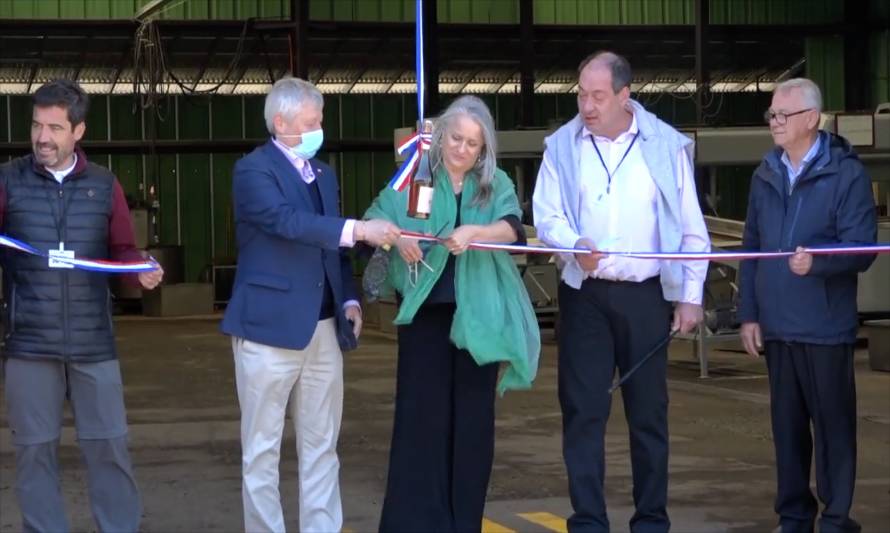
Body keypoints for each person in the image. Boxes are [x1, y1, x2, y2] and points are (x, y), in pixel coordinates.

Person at [532, 51, 710, 532]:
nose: (586, 106)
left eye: (597, 96)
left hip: (645, 297)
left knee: (648, 416)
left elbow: (692, 228)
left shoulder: (666, 147)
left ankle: (651, 520)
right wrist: (573, 245)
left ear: (624, 96)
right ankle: (588, 520)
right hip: (584, 296)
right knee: (582, 412)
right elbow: (546, 215)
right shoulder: (562, 146)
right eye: (581, 95)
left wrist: (690, 295)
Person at [219, 77, 399, 532]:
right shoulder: (253, 171)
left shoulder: (322, 173)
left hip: (323, 332)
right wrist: (359, 229)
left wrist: (350, 300)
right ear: (280, 123)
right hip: (268, 330)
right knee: (261, 449)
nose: (321, 129)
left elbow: (330, 250)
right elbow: (288, 222)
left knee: (322, 446)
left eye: (320, 120)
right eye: (311, 121)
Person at [365, 95, 540, 532]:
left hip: (477, 320)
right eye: (456, 139)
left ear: (485, 150)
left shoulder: (493, 182)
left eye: (473, 144)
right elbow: (375, 220)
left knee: (473, 426)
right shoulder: (418, 177)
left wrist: (477, 231)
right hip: (425, 318)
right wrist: (396, 239)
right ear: (441, 137)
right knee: (420, 422)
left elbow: (513, 227)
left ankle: (464, 522)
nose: (462, 149)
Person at [0, 79, 164, 532]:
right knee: (34, 454)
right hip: (30, 343)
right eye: (36, 125)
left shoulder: (103, 185)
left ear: (78, 131)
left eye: (54, 127)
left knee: (109, 448)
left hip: (94, 344)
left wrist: (140, 268)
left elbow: (123, 250)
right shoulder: (7, 181)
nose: (42, 137)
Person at [738, 78, 876, 533]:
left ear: (811, 119)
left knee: (834, 429)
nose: (774, 123)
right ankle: (794, 517)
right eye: (771, 115)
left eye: (782, 115)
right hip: (778, 325)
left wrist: (817, 263)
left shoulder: (846, 174)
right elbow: (752, 247)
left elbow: (863, 248)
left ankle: (836, 519)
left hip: (825, 325)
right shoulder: (765, 173)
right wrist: (750, 313)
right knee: (788, 431)